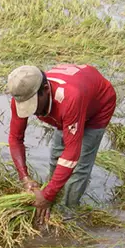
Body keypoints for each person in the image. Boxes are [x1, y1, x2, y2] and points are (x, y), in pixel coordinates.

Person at [7, 64, 116, 223]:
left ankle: (68, 212)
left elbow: (72, 154)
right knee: (56, 157)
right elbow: (15, 138)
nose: (31, 111)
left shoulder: (70, 98)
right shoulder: (22, 94)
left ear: (45, 89)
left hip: (98, 106)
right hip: (67, 107)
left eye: (33, 104)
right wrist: (24, 177)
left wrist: (47, 195)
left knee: (80, 166)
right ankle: (54, 195)